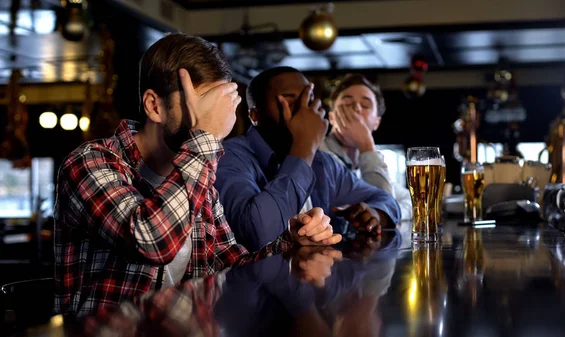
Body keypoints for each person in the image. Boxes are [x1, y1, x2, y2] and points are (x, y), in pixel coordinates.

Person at [53, 34, 341, 317]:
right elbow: (153, 242)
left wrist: (290, 243)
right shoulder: (91, 162)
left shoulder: (198, 171)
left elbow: (229, 265)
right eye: (199, 106)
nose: (211, 120)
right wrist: (206, 136)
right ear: (154, 106)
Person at [214, 66, 401, 251]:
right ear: (255, 115)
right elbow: (257, 234)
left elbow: (386, 200)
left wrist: (375, 213)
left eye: (309, 101)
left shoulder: (323, 163)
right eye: (290, 102)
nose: (304, 112)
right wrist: (304, 148)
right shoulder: (229, 157)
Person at [320, 73, 412, 220]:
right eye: (347, 103)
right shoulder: (320, 155)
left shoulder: (369, 160)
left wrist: (395, 212)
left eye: (365, 105)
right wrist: (366, 144)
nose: (356, 108)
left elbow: (407, 201)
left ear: (377, 122)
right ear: (332, 117)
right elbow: (385, 209)